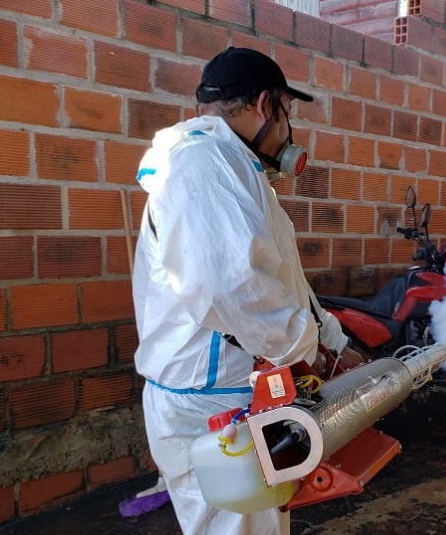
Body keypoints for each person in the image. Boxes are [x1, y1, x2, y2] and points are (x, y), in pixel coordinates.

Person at [132, 47, 361, 534]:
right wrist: (306, 353)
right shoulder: (203, 165)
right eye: (286, 114)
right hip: (212, 406)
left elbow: (281, 282)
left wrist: (334, 343)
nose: (287, 132)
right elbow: (231, 292)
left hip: (235, 396)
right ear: (264, 105)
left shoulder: (232, 167)